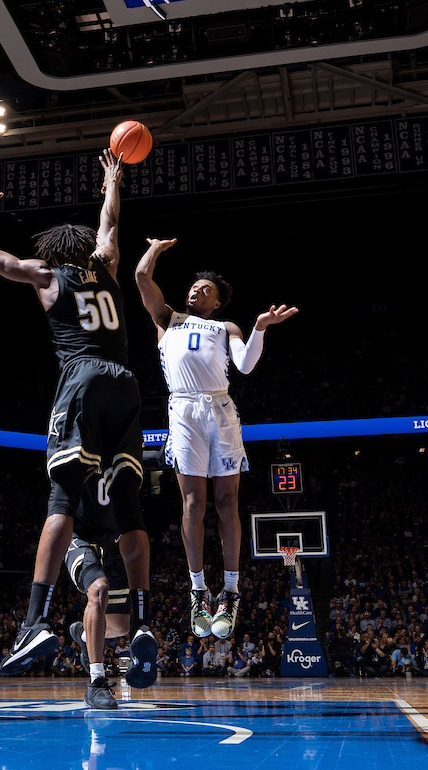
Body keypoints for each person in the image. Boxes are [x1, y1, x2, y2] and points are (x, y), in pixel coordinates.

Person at [0, 155, 151, 676]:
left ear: (52, 253)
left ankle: (35, 620)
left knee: (62, 498)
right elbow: (110, 224)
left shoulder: (46, 273)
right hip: (126, 381)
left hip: (83, 377)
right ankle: (142, 620)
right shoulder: (109, 263)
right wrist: (112, 183)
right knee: (130, 508)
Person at [135, 238, 297, 639]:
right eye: (194, 286)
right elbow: (140, 276)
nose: (197, 291)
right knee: (194, 502)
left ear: (218, 302)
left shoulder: (226, 327)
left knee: (227, 502)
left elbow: (244, 366)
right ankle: (198, 590)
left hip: (221, 412)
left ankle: (230, 592)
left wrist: (259, 328)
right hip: (184, 411)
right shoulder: (166, 318)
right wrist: (154, 249)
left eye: (206, 290)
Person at [64, 477, 157, 709]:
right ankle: (96, 680)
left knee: (120, 626)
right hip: (80, 536)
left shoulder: (127, 451)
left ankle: (85, 636)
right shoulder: (82, 449)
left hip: (116, 540)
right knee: (98, 589)